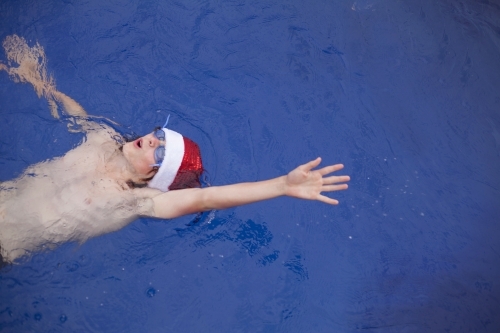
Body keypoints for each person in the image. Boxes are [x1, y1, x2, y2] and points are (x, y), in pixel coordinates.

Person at [0, 35, 350, 266]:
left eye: (161, 151)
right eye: (159, 135)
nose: (152, 140)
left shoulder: (137, 202)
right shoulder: (102, 139)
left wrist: (281, 186)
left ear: (156, 175)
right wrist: (35, 78)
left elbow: (205, 200)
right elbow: (72, 113)